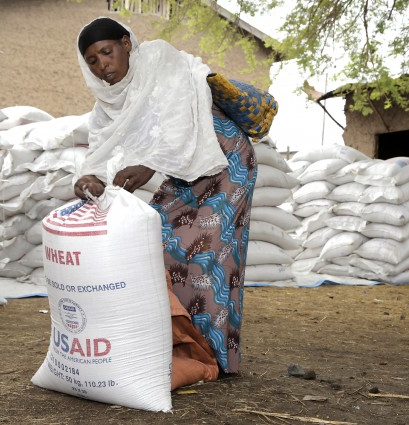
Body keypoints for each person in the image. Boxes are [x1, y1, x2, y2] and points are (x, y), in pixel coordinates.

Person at [73, 17, 271, 386]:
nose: (103, 66)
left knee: (213, 257)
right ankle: (181, 347)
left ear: (126, 44)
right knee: (158, 241)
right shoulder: (108, 102)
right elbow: (100, 146)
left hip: (224, 158)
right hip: (182, 170)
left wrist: (149, 163)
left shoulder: (161, 62)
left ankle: (217, 360)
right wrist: (89, 178)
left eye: (106, 52)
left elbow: (182, 118)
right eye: (93, 62)